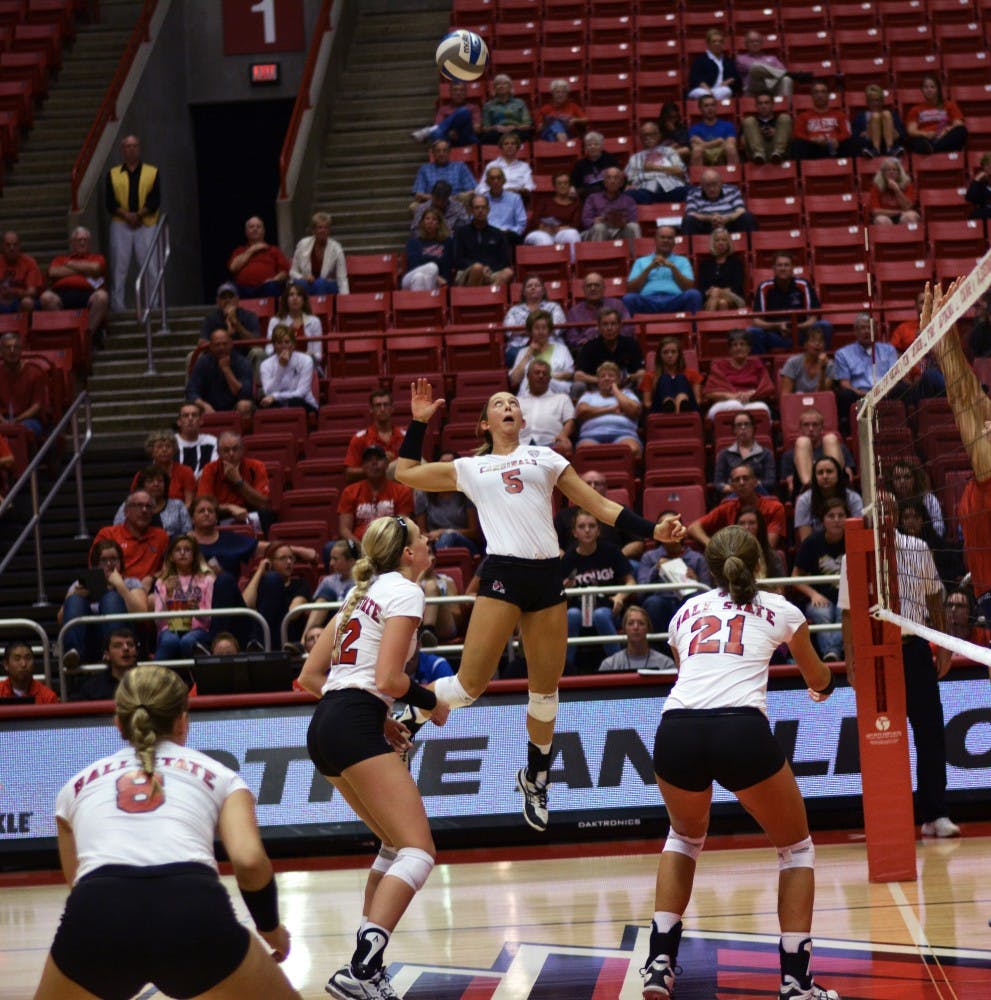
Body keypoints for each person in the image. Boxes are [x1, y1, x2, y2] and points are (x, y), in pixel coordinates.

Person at [396, 379, 687, 831]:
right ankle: (416, 708)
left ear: (523, 418)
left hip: (547, 575)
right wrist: (418, 423)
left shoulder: (547, 458)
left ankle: (535, 778)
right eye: (499, 402)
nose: (508, 405)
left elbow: (601, 506)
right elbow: (405, 472)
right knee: (469, 688)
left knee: (546, 693)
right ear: (486, 422)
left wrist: (654, 530)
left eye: (513, 402)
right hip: (502, 573)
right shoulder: (471, 467)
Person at [639, 524, 838, 1000]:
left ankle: (658, 963)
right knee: (796, 849)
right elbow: (818, 675)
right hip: (740, 729)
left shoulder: (687, 610)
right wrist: (822, 685)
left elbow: (691, 667)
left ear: (711, 569)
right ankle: (796, 981)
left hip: (677, 729)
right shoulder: (781, 609)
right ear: (760, 565)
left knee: (683, 837)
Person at [36, 664, 298, 999]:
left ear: (119, 724)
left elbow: (79, 882)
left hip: (99, 913)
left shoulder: (73, 788)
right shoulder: (222, 776)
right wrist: (271, 930)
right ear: (182, 720)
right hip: (191, 910)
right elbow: (248, 861)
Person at [298, 516, 449, 999]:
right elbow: (388, 680)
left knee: (391, 845)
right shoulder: (406, 592)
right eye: (422, 538)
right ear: (408, 553)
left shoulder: (355, 597)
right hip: (353, 720)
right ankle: (361, 970)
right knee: (419, 851)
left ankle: (368, 970)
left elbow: (308, 676)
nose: (428, 542)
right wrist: (431, 703)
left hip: (326, 723)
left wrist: (379, 718)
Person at [838, 491, 959, 839]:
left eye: (890, 509)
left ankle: (935, 814)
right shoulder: (855, 553)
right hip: (875, 653)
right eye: (879, 511)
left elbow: (936, 597)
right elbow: (848, 613)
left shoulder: (917, 548)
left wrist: (945, 646)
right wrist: (851, 660)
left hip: (914, 649)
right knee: (882, 736)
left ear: (897, 512)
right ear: (869, 516)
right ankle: (889, 818)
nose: (885, 516)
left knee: (931, 733)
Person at [927, 280, 991, 630]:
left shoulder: (987, 469)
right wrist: (943, 332)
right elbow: (964, 390)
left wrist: (943, 333)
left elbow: (959, 399)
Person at [561, 509, 634, 672]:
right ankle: (566, 670)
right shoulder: (568, 558)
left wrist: (620, 597)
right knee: (571, 615)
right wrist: (565, 590)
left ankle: (619, 669)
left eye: (592, 526)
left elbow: (631, 581)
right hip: (578, 612)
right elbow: (558, 593)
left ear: (598, 530)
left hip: (609, 610)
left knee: (600, 615)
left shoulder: (611, 551)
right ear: (574, 532)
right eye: (581, 526)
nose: (587, 530)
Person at [60, 539, 149, 669]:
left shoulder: (131, 583)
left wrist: (120, 587)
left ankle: (113, 651)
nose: (109, 564)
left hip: (122, 639)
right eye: (103, 560)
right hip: (88, 640)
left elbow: (142, 614)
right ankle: (73, 652)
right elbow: (61, 619)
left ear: (121, 562)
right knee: (75, 600)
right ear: (96, 564)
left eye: (114, 559)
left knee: (111, 598)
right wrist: (74, 595)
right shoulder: (80, 585)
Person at [105, 134, 160, 313]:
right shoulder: (113, 174)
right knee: (119, 267)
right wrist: (127, 215)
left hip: (146, 224)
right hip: (121, 224)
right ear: (122, 150)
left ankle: (154, 304)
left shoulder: (152, 172)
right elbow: (110, 202)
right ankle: (118, 306)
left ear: (139, 148)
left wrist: (138, 215)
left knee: (150, 266)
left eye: (134, 146)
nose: (131, 149)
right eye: (127, 146)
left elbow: (155, 199)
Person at [792, 496, 847, 662]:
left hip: (846, 597)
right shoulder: (812, 542)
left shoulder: (854, 539)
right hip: (820, 596)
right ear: (823, 520)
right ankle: (833, 655)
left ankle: (832, 654)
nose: (836, 520)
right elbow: (795, 577)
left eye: (840, 515)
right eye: (831, 516)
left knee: (843, 613)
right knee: (821, 612)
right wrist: (813, 595)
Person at [833, 312, 905, 433]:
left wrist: (882, 391)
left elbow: (895, 376)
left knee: (903, 388)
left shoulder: (888, 350)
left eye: (870, 328)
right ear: (855, 331)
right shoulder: (843, 353)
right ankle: (850, 434)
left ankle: (903, 428)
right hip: (858, 395)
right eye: (862, 328)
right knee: (844, 395)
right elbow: (844, 383)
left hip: (886, 392)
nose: (867, 331)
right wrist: (860, 393)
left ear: (876, 330)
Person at [749, 253, 832, 354]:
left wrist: (796, 328)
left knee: (825, 325)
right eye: (779, 265)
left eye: (786, 265)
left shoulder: (804, 285)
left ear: (792, 268)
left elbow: (813, 318)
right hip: (775, 335)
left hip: (802, 333)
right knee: (752, 332)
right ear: (774, 268)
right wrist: (777, 326)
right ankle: (761, 367)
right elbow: (756, 321)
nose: (783, 268)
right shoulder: (764, 287)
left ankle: (821, 362)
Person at [689, 464, 786, 549]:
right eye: (737, 480)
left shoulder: (774, 507)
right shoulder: (727, 507)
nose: (741, 483)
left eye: (746, 478)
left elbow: (769, 546)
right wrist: (712, 545)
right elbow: (693, 527)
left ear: (755, 482)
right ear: (732, 487)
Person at [40, 227, 110, 344]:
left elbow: (96, 268)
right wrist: (84, 269)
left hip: (89, 295)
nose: (82, 242)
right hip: (62, 295)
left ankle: (86, 337)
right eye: (79, 240)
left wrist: (70, 265)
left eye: (85, 240)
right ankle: (67, 335)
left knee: (102, 297)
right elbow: (53, 272)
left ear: (89, 242)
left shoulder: (97, 258)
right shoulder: (60, 259)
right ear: (72, 243)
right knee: (46, 297)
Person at [152, 534, 215, 660]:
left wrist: (197, 611)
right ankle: (150, 676)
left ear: (194, 555)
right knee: (170, 641)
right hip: (170, 629)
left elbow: (210, 620)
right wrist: (167, 596)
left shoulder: (207, 580)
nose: (182, 553)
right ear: (171, 556)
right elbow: (158, 622)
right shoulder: (162, 582)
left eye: (187, 549)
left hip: (198, 629)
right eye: (177, 550)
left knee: (188, 641)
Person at [339, 444, 415, 544]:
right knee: (331, 547)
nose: (374, 463)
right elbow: (344, 530)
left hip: (391, 544)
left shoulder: (402, 491)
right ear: (363, 466)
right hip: (359, 546)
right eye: (369, 460)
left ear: (387, 464)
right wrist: (360, 549)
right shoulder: (350, 492)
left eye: (378, 459)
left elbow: (402, 524)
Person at [197, 431, 272, 534]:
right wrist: (229, 508)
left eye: (235, 449)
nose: (231, 454)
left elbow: (263, 503)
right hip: (221, 515)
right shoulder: (210, 469)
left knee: (265, 514)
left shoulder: (256, 467)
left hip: (250, 513)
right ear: (218, 452)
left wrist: (239, 481)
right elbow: (204, 504)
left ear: (242, 450)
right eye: (226, 450)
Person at [243, 542, 314, 647]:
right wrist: (260, 571)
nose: (289, 562)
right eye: (283, 558)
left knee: (274, 580)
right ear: (270, 562)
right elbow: (246, 604)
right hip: (262, 630)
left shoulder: (300, 584)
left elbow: (293, 614)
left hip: (285, 633)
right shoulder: (260, 583)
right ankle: (259, 643)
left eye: (291, 558)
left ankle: (259, 642)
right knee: (272, 579)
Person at [91, 490, 169, 586]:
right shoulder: (108, 534)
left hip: (147, 590)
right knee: (75, 597)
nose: (144, 510)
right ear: (126, 511)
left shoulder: (161, 536)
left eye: (148, 506)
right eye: (139, 505)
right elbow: (94, 568)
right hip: (112, 586)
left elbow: (169, 569)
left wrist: (152, 578)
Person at [622, 226, 703, 316]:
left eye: (669, 238)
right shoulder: (640, 261)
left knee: (694, 295)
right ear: (655, 240)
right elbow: (631, 289)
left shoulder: (683, 261)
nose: (666, 240)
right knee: (629, 298)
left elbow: (689, 287)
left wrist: (673, 268)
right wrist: (649, 268)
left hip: (674, 300)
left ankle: (694, 330)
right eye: (662, 237)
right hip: (648, 301)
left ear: (674, 242)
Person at [413, 448, 482, 552]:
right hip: (433, 542)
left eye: (451, 464)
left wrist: (445, 532)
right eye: (443, 464)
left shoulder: (467, 493)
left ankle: (438, 562)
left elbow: (474, 532)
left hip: (465, 544)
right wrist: (431, 537)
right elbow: (421, 532)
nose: (446, 468)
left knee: (448, 536)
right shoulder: (424, 495)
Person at [780, 406, 855, 498]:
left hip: (837, 493)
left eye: (815, 425)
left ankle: (832, 488)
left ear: (822, 428)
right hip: (807, 495)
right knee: (802, 442)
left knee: (830, 439)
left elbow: (849, 479)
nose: (811, 429)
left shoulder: (840, 448)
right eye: (806, 425)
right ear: (800, 428)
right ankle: (812, 487)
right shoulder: (789, 455)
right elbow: (791, 487)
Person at [186, 326, 255, 425]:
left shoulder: (242, 362)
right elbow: (191, 391)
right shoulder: (203, 363)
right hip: (209, 406)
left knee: (244, 405)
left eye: (224, 344)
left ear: (231, 344)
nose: (221, 348)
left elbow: (245, 393)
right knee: (192, 408)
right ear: (210, 346)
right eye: (217, 345)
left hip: (235, 406)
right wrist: (204, 405)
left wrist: (226, 370)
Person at [703, 329, 775, 420]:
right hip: (725, 403)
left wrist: (753, 393)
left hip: (751, 402)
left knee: (762, 409)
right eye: (735, 345)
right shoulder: (719, 365)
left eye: (742, 344)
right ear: (729, 349)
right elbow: (709, 393)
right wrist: (729, 396)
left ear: (749, 348)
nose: (739, 348)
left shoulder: (756, 363)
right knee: (734, 405)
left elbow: (767, 387)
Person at [575, 361, 642, 455]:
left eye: (611, 376)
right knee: (584, 452)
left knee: (632, 450)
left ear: (618, 380)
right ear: (598, 381)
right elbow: (582, 411)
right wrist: (611, 409)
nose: (606, 378)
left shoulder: (627, 394)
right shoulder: (589, 395)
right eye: (602, 376)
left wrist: (615, 390)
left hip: (624, 434)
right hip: (591, 435)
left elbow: (633, 410)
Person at [198, 282, 265, 374]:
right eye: (223, 298)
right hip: (217, 359)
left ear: (237, 300)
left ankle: (259, 388)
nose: (227, 300)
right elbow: (202, 343)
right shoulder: (210, 319)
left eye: (231, 297)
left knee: (259, 353)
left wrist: (236, 324)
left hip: (244, 358)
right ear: (217, 301)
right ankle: (194, 387)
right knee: (192, 357)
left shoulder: (249, 316)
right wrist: (222, 340)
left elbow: (256, 343)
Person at [794, 456, 863, 544]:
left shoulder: (853, 498)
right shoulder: (804, 500)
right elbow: (806, 541)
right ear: (814, 477)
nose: (825, 476)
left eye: (829, 472)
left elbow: (857, 535)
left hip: (849, 546)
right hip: (817, 551)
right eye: (820, 473)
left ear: (838, 474)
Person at [343, 389, 406, 483]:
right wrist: (377, 467)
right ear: (371, 409)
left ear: (392, 408)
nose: (382, 409)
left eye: (386, 404)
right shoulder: (360, 438)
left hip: (401, 489)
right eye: (378, 405)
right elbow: (349, 473)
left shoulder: (405, 437)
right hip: (373, 486)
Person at [562, 272, 632, 355]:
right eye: (589, 286)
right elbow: (571, 338)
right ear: (583, 289)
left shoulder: (617, 305)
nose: (592, 288)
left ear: (603, 288)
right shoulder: (574, 312)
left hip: (616, 349)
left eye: (596, 285)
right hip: (587, 353)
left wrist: (609, 337)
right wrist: (586, 342)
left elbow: (628, 330)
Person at [115, 464, 193, 538]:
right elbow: (117, 530)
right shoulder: (129, 504)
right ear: (142, 485)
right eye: (150, 481)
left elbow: (188, 533)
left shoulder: (178, 505)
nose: (156, 484)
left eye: (160, 481)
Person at [576, 306, 646, 388]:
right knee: (578, 385)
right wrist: (603, 380)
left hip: (625, 386)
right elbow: (578, 375)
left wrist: (628, 378)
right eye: (605, 324)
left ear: (620, 326)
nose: (609, 328)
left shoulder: (631, 344)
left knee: (643, 380)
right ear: (598, 327)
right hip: (597, 387)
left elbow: (642, 372)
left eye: (613, 324)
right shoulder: (589, 347)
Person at [517, 358, 576, 455]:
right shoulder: (516, 401)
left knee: (566, 446)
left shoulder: (562, 398)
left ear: (549, 378)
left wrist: (563, 436)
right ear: (528, 376)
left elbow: (570, 421)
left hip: (552, 445)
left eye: (544, 373)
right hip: (520, 445)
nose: (541, 376)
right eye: (537, 373)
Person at [508, 309, 574, 395]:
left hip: (555, 395)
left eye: (544, 328)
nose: (540, 331)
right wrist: (528, 354)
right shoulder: (523, 352)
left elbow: (570, 374)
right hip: (528, 396)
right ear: (530, 331)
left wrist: (547, 377)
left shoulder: (562, 349)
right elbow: (514, 380)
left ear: (549, 331)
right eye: (536, 328)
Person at [452, 194, 514, 286]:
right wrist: (479, 267)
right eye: (477, 208)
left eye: (483, 207)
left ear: (488, 210)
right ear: (471, 210)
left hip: (491, 272)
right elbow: (457, 259)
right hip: (466, 272)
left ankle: (491, 297)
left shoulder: (498, 234)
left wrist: (488, 268)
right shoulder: (461, 232)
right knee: (477, 268)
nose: (480, 211)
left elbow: (505, 261)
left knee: (508, 272)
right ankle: (474, 299)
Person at [504, 275, 568, 364]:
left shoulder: (554, 307)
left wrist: (526, 330)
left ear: (543, 291)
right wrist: (542, 330)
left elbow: (557, 327)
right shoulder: (514, 310)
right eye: (529, 286)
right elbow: (509, 330)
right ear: (523, 292)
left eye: (537, 285)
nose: (533, 288)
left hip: (550, 343)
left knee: (561, 353)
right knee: (512, 355)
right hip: (520, 347)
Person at [624, 120, 690, 204]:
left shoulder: (669, 151)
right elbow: (628, 180)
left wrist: (654, 168)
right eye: (645, 135)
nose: (648, 137)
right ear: (640, 138)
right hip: (647, 191)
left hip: (672, 188)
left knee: (694, 192)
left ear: (659, 136)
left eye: (652, 134)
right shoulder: (635, 158)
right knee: (627, 195)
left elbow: (680, 171)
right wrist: (628, 185)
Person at [713, 411, 776, 496]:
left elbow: (770, 481)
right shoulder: (724, 454)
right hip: (733, 495)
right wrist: (736, 488)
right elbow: (718, 483)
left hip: (758, 494)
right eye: (739, 425)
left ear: (753, 428)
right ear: (734, 430)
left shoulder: (766, 454)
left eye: (747, 424)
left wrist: (749, 486)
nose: (743, 428)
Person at [259, 324, 318, 414]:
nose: (283, 346)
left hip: (304, 404)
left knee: (294, 402)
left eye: (287, 342)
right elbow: (269, 393)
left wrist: (275, 396)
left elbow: (301, 393)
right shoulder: (265, 365)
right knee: (266, 405)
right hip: (278, 404)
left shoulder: (306, 360)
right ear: (274, 345)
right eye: (279, 343)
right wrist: (281, 368)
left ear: (293, 344)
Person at [792, 80, 859, 160]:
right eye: (816, 92)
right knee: (797, 144)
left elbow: (847, 133)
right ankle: (802, 171)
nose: (820, 95)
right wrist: (812, 140)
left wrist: (836, 139)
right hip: (813, 148)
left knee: (852, 142)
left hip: (835, 147)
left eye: (823, 92)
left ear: (828, 95)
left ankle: (851, 170)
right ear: (812, 96)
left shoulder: (840, 115)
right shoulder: (802, 116)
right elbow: (798, 134)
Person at [599, 605, 676, 673]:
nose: (636, 627)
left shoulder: (666, 664)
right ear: (624, 629)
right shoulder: (609, 665)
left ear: (648, 628)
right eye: (631, 623)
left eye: (641, 623)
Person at [229, 216, 291, 299]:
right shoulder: (239, 251)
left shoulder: (273, 250)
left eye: (258, 227)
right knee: (228, 288)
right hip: (243, 289)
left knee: (272, 287)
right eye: (251, 227)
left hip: (265, 287)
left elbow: (285, 271)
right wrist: (251, 250)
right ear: (246, 232)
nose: (255, 229)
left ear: (263, 231)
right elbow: (233, 268)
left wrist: (274, 280)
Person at [266, 281, 324, 368]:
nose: (295, 298)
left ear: (304, 300)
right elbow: (269, 350)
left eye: (299, 295)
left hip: (305, 365)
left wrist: (297, 358)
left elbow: (318, 355)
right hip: (280, 364)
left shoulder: (314, 321)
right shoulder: (275, 321)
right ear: (286, 299)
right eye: (291, 295)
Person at [681, 167, 757, 235]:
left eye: (714, 184)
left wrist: (727, 218)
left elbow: (741, 210)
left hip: (729, 223)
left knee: (747, 217)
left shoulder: (732, 190)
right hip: (706, 225)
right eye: (708, 185)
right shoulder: (693, 194)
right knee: (688, 220)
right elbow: (691, 213)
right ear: (702, 185)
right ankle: (694, 249)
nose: (712, 189)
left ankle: (749, 247)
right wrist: (710, 218)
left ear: (721, 183)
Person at [905, 73, 967, 155]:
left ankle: (933, 149)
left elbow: (958, 124)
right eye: (926, 87)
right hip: (926, 139)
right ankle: (933, 149)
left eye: (932, 87)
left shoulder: (949, 105)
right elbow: (911, 130)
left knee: (961, 131)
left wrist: (946, 130)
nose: (929, 90)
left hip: (944, 138)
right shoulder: (915, 109)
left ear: (938, 89)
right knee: (913, 141)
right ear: (922, 90)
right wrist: (926, 134)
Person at [0, 331, 47, 439]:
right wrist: (3, 422)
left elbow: (37, 405)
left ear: (21, 351)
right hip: (3, 418)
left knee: (22, 430)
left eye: (16, 347)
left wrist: (16, 421)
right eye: (8, 347)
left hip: (29, 420)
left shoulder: (35, 373)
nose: (12, 351)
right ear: (1, 352)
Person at [73, 627, 140, 701]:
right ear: (107, 655)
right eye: (117, 646)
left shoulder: (148, 683)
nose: (126, 648)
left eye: (130, 645)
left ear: (136, 652)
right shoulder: (92, 688)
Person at [884, 456, 945, 539]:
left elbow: (939, 529)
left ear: (915, 479)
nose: (902, 482)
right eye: (897, 478)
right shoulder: (888, 502)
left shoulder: (928, 499)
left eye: (907, 477)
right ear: (892, 481)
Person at [307, 538, 359, 632]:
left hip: (355, 625)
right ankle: (304, 641)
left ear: (351, 561)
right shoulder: (328, 581)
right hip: (328, 628)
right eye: (331, 559)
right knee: (326, 593)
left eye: (335, 559)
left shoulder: (366, 580)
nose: (331, 563)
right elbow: (312, 611)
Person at [642, 335, 703, 414]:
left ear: (679, 355)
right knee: (665, 378)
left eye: (673, 352)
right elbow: (647, 403)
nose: (670, 355)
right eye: (665, 352)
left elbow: (697, 400)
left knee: (680, 377)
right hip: (661, 411)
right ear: (660, 355)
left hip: (688, 410)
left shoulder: (693, 374)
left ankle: (681, 404)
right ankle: (668, 405)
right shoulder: (649, 376)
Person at [411, 79, 481, 146]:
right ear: (450, 93)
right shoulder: (443, 109)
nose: (458, 93)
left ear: (465, 93)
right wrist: (449, 132)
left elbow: (477, 129)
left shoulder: (473, 107)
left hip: (466, 137)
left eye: (461, 90)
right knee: (435, 134)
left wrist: (457, 130)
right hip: (448, 139)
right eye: (455, 90)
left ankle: (429, 130)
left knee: (464, 111)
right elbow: (439, 127)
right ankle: (431, 131)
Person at [580, 166, 640, 244]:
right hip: (598, 232)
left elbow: (633, 220)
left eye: (616, 178)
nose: (612, 181)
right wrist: (594, 221)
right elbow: (585, 220)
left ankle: (635, 255)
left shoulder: (628, 200)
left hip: (619, 231)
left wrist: (623, 222)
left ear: (621, 183)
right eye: (609, 178)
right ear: (604, 182)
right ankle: (599, 256)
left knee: (634, 226)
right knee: (599, 227)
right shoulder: (592, 198)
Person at [523, 170, 582, 250]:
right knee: (545, 241)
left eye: (565, 183)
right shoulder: (544, 201)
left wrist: (561, 228)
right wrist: (542, 227)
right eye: (559, 183)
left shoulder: (575, 204)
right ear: (554, 186)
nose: (563, 186)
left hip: (562, 234)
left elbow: (576, 224)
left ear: (570, 185)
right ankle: (549, 261)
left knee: (573, 234)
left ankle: (572, 262)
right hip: (541, 232)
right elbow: (534, 219)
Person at [402, 207, 455, 291]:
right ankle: (430, 299)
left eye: (434, 219)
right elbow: (413, 264)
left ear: (439, 224)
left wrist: (445, 281)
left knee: (419, 277)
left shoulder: (447, 242)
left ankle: (424, 303)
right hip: (409, 278)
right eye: (427, 219)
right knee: (432, 267)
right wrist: (436, 277)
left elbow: (447, 265)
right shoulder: (413, 242)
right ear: (422, 222)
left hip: (431, 282)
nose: (430, 222)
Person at [410, 138, 476, 206]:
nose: (441, 154)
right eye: (438, 151)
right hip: (432, 206)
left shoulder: (460, 167)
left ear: (449, 152)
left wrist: (456, 197)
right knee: (414, 206)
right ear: (433, 153)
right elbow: (418, 194)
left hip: (456, 204)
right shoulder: (425, 169)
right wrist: (438, 199)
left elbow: (473, 190)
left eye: (445, 150)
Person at [697, 225, 746, 311]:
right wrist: (709, 292)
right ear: (713, 243)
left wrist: (719, 291)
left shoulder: (736, 263)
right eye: (717, 240)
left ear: (728, 243)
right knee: (722, 303)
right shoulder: (705, 264)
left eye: (724, 240)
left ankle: (707, 323)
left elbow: (737, 287)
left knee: (718, 295)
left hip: (734, 297)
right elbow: (701, 289)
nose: (721, 243)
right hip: (711, 298)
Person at [851, 84, 906, 159]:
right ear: (867, 102)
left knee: (886, 114)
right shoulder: (860, 117)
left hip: (889, 142)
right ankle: (875, 149)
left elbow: (902, 134)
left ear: (882, 101)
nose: (875, 103)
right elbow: (854, 137)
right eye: (872, 101)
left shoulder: (892, 115)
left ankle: (890, 148)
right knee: (875, 116)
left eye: (877, 100)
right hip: (869, 145)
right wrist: (864, 135)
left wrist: (897, 134)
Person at [736, 29, 793, 99]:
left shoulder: (772, 58)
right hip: (752, 89)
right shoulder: (740, 59)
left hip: (772, 87)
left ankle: (786, 107)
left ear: (762, 43)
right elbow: (752, 69)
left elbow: (783, 70)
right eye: (751, 41)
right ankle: (794, 75)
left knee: (786, 79)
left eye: (757, 41)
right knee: (755, 67)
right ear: (746, 44)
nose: (755, 43)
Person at [686, 27, 739, 101]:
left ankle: (710, 100)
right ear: (708, 43)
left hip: (720, 91)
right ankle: (711, 100)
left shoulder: (728, 61)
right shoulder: (700, 60)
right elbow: (694, 78)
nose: (717, 44)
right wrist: (707, 90)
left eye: (720, 41)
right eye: (714, 41)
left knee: (727, 91)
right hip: (704, 90)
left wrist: (727, 82)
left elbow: (736, 77)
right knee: (701, 93)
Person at [477, 131, 535, 197]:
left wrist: (517, 191)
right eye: (506, 144)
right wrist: (494, 193)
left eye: (513, 144)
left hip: (517, 198)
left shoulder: (524, 166)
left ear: (517, 147)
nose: (510, 146)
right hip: (495, 198)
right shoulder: (492, 165)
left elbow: (529, 186)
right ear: (501, 147)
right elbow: (481, 188)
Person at [741, 91, 793, 164]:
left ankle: (778, 153)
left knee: (785, 117)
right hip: (757, 154)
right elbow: (743, 142)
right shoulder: (752, 123)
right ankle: (759, 155)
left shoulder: (780, 121)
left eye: (766, 103)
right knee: (748, 120)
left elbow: (792, 138)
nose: (763, 106)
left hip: (778, 151)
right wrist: (757, 135)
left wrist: (777, 133)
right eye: (760, 103)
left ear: (772, 104)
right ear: (756, 106)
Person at [688, 94, 740, 166]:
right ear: (700, 109)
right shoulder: (694, 128)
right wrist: (718, 142)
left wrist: (705, 144)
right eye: (706, 106)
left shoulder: (727, 125)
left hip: (721, 152)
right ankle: (698, 176)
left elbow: (731, 143)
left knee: (730, 149)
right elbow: (695, 147)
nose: (710, 108)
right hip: (705, 153)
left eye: (712, 105)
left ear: (716, 107)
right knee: (697, 151)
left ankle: (732, 175)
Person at [481, 74, 533, 144]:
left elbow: (527, 124)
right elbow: (485, 128)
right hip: (497, 133)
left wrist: (514, 127)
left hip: (516, 131)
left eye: (504, 83)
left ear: (510, 87)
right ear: (494, 88)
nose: (501, 86)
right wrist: (496, 128)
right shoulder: (488, 106)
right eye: (498, 84)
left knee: (524, 135)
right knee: (488, 137)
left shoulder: (520, 103)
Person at [779, 329, 834, 395]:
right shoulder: (793, 363)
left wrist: (822, 369)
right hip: (797, 402)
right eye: (813, 341)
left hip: (820, 402)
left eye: (820, 341)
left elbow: (823, 394)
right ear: (805, 345)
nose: (817, 343)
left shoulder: (830, 365)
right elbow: (785, 395)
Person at [0, 230, 43, 314]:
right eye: (8, 245)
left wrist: (14, 292)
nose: (11, 248)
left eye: (15, 245)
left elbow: (32, 292)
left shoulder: (29, 262)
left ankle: (24, 327)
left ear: (19, 246)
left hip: (20, 301)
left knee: (27, 302)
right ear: (2, 246)